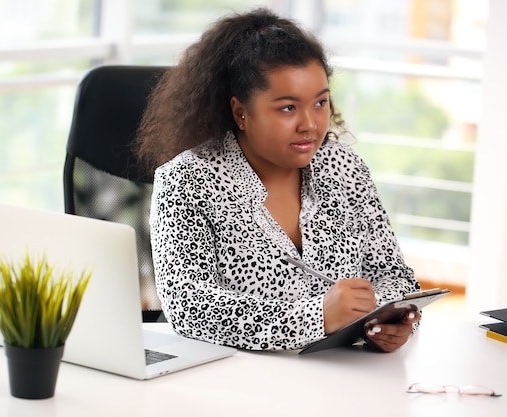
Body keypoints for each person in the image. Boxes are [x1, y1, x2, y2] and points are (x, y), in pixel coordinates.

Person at [135, 7, 421, 352]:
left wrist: (387, 320)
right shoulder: (186, 181)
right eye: (288, 108)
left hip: (346, 378)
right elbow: (190, 308)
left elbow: (395, 277)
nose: (310, 124)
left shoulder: (345, 167)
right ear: (241, 112)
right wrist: (316, 318)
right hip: (237, 386)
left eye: (320, 103)